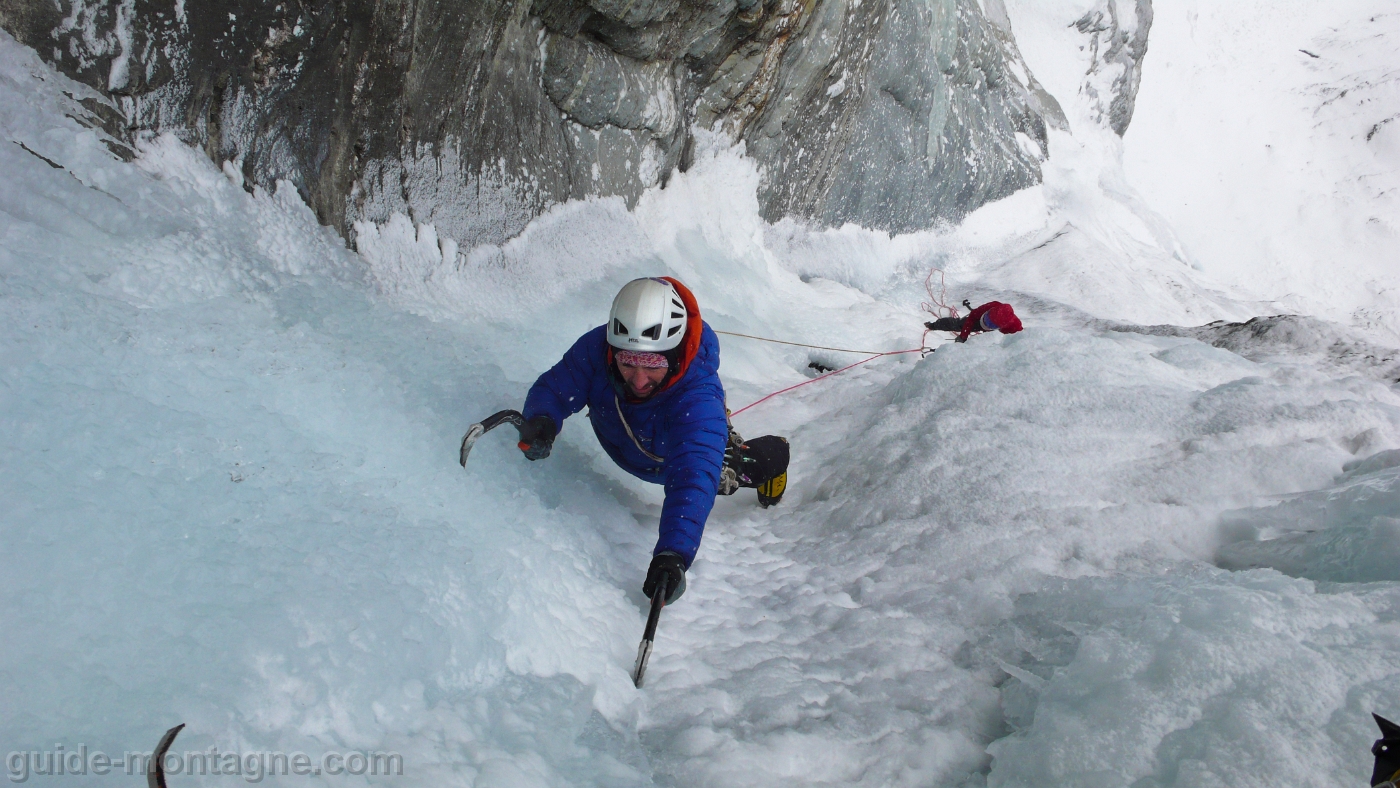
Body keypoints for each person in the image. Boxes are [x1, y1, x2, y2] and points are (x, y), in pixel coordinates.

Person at [514, 277, 787, 606]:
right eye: (627, 362)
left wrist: (673, 554)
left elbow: (692, 479)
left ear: (673, 356)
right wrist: (543, 418)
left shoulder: (698, 398)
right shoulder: (598, 350)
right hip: (634, 445)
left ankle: (776, 459)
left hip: (677, 454)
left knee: (726, 474)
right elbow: (557, 386)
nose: (639, 379)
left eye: (654, 364)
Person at [925, 301, 1023, 342]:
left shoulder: (1014, 325)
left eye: (990, 324)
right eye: (987, 320)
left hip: (995, 333)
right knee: (958, 325)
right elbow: (972, 317)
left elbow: (1021, 339)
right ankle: (933, 325)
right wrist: (963, 336)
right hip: (978, 320)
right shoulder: (992, 305)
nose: (987, 323)